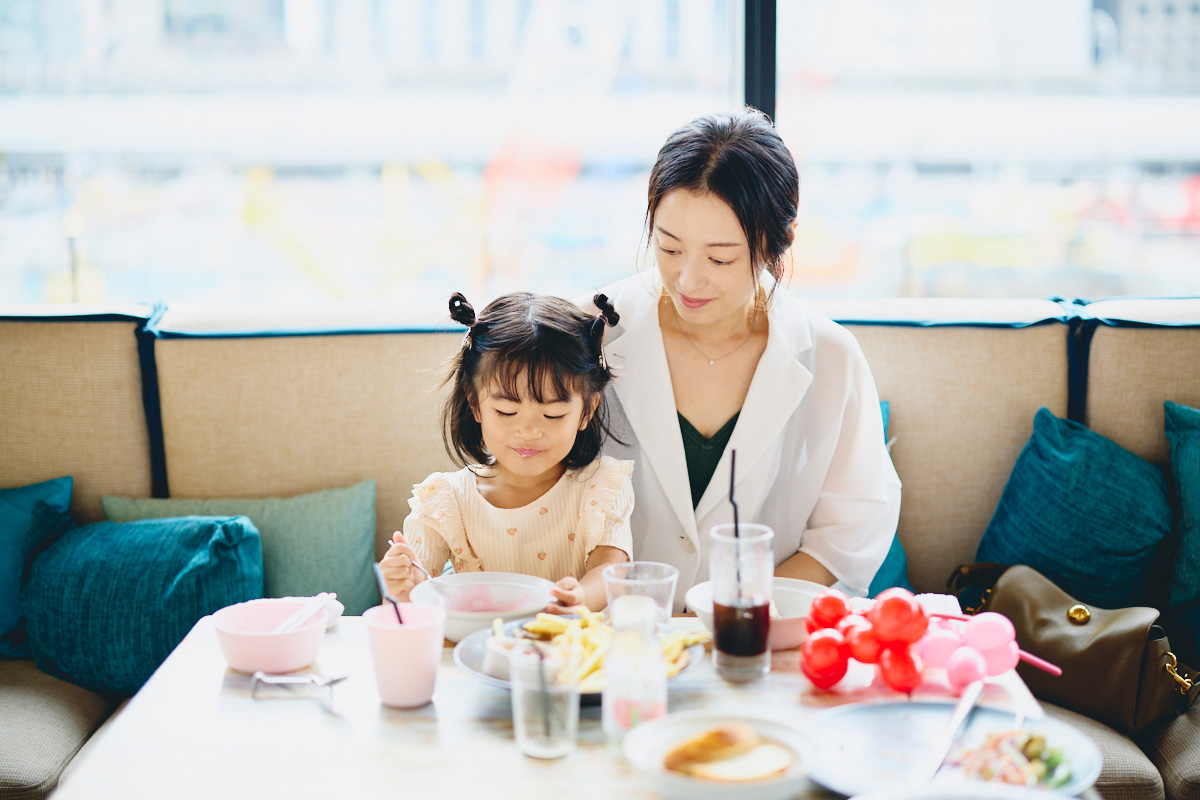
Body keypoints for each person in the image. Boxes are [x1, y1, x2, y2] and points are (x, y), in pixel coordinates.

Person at [587, 108, 901, 611]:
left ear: (781, 240)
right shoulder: (593, 331)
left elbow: (847, 534)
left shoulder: (831, 358)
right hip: (613, 634)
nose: (688, 280)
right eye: (669, 249)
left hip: (759, 634)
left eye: (721, 258)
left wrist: (737, 612)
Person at [380, 291, 634, 613]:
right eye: (505, 411)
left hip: (569, 655)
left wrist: (580, 597)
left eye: (553, 415)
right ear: (475, 404)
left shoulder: (601, 487)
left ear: (587, 411)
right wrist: (405, 583)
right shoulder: (447, 501)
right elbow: (415, 592)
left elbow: (611, 571)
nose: (528, 432)